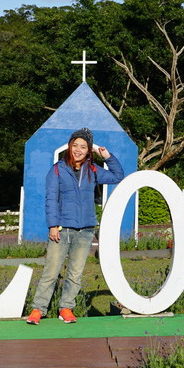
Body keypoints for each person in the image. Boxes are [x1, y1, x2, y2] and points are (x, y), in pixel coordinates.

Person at [26, 128, 125, 325]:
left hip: (86, 230)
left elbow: (118, 176)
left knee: (75, 273)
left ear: (89, 150)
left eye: (83, 147)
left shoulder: (93, 170)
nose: (78, 150)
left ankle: (66, 308)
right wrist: (53, 225)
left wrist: (107, 156)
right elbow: (51, 199)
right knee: (51, 271)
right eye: (75, 145)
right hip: (62, 229)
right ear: (69, 147)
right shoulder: (56, 170)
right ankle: (39, 309)